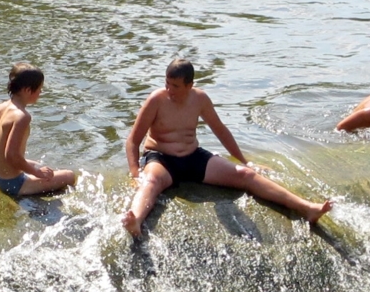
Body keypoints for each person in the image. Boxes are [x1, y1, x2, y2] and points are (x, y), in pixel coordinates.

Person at [122, 58, 332, 237]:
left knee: (245, 175)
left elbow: (221, 132)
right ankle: (136, 220)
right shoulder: (156, 100)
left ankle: (307, 208)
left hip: (193, 156)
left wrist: (244, 161)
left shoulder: (200, 99)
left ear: (189, 85)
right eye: (167, 84)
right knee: (151, 181)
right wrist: (134, 174)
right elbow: (133, 140)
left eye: (175, 86)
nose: (170, 90)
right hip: (162, 158)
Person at [0, 63, 79, 199]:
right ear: (27, 90)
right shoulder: (22, 116)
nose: (40, 93)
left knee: (39, 165)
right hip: (12, 184)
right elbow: (11, 155)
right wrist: (37, 173)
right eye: (39, 89)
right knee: (69, 175)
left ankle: (15, 175)